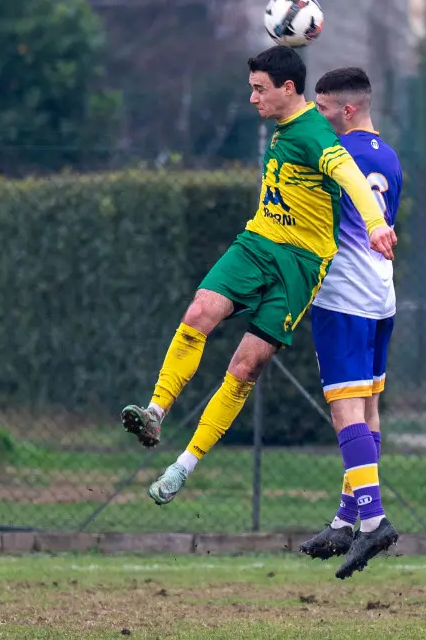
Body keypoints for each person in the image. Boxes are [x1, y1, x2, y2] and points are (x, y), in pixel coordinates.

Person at [119, 46, 398, 509]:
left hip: (301, 265)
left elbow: (347, 173)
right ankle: (155, 411)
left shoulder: (313, 132)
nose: (252, 99)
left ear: (287, 90)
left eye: (258, 89)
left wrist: (374, 223)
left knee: (246, 367)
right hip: (257, 242)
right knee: (199, 311)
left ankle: (183, 466)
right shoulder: (289, 122)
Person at [295, 66, 403, 579]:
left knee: (345, 411)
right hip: (381, 296)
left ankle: (372, 520)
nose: (318, 117)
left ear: (347, 109)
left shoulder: (340, 158)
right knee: (368, 406)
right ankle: (345, 519)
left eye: (322, 109)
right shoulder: (388, 155)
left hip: (344, 297)